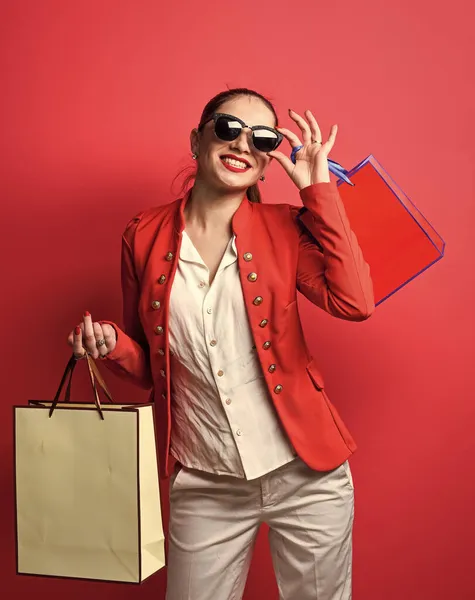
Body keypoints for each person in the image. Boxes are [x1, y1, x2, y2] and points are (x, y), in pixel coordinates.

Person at [68, 88, 375, 600]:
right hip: (205, 480)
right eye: (228, 128)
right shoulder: (141, 235)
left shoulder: (284, 227)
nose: (242, 145)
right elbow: (149, 366)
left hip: (307, 475)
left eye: (263, 139)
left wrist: (318, 191)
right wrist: (110, 345)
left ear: (268, 161)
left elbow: (355, 301)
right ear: (198, 138)